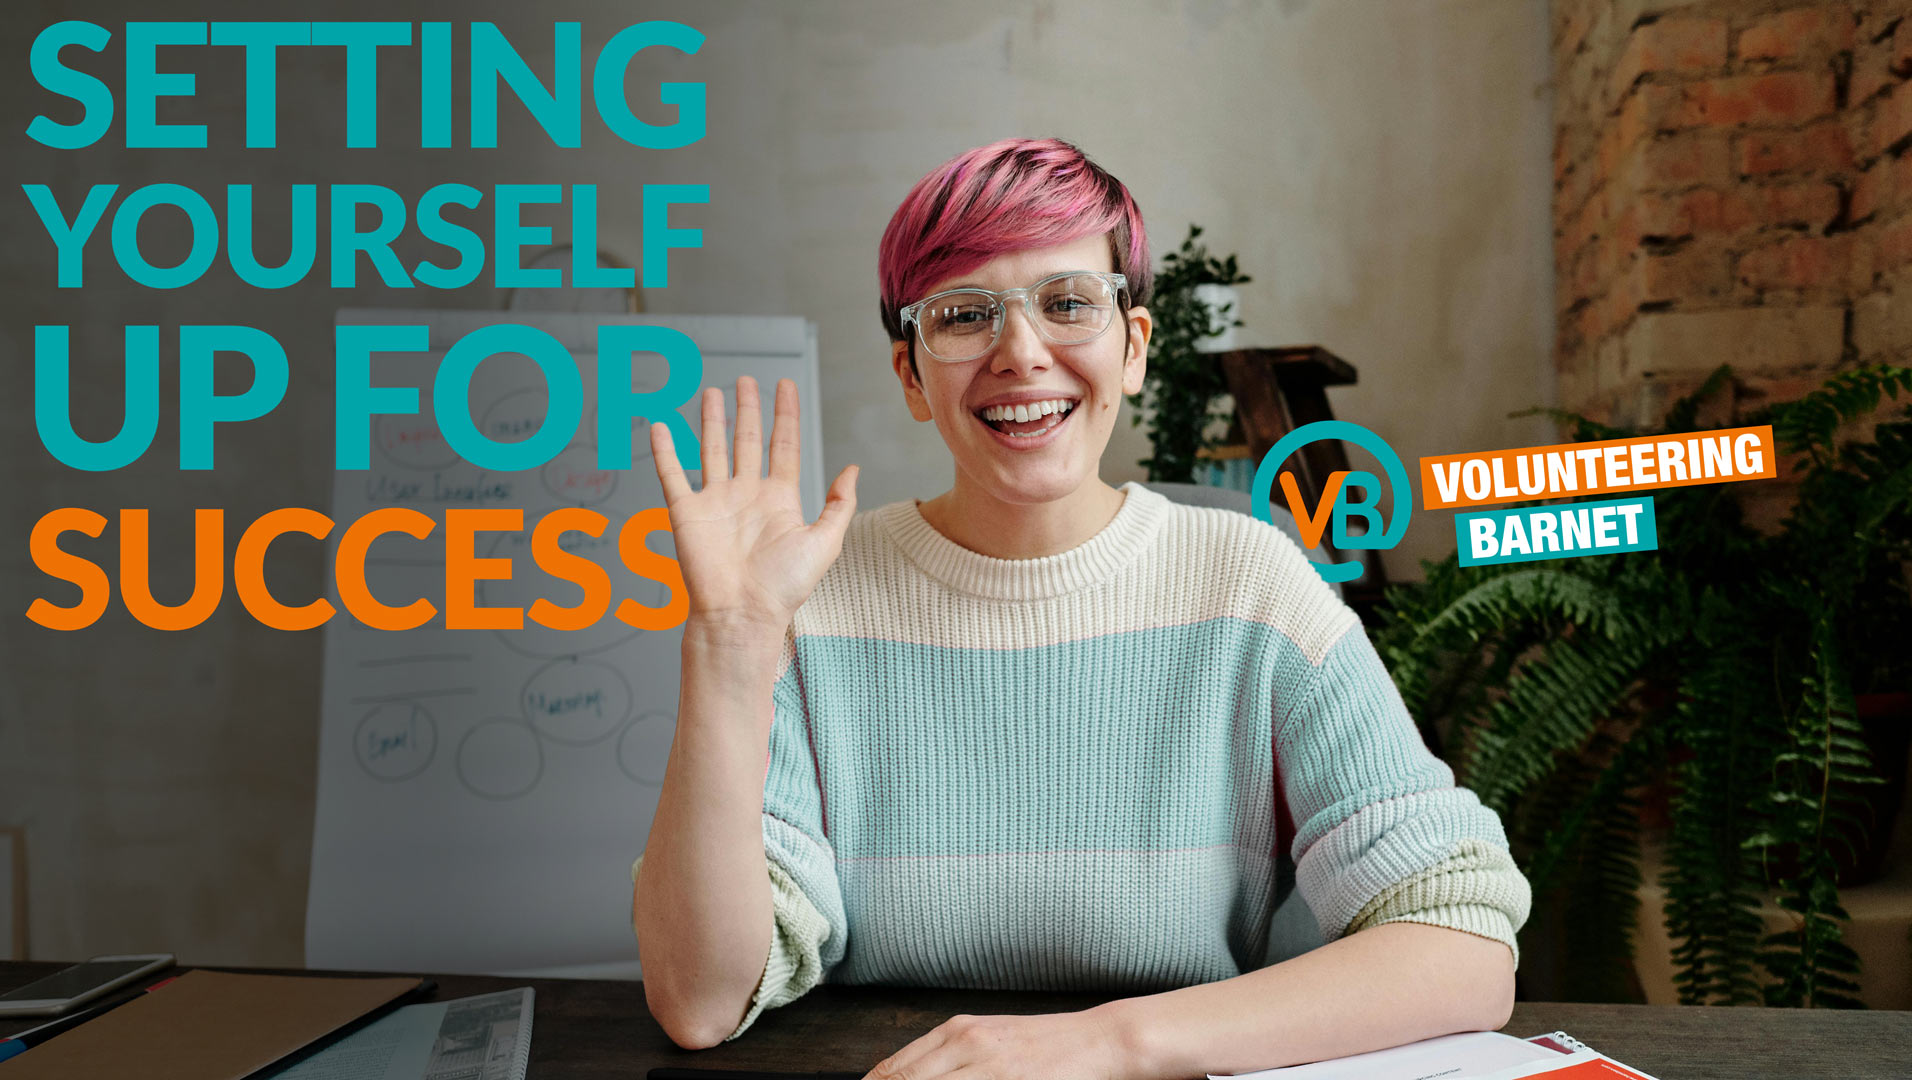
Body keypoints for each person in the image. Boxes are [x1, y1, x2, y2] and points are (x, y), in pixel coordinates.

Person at [631, 138, 1530, 1078]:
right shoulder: (808, 606)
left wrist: (1107, 1043)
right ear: (910, 374)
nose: (1020, 355)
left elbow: (1461, 942)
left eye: (1067, 305)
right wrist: (729, 641)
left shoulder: (1253, 587)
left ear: (1134, 347)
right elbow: (700, 1001)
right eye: (964, 316)